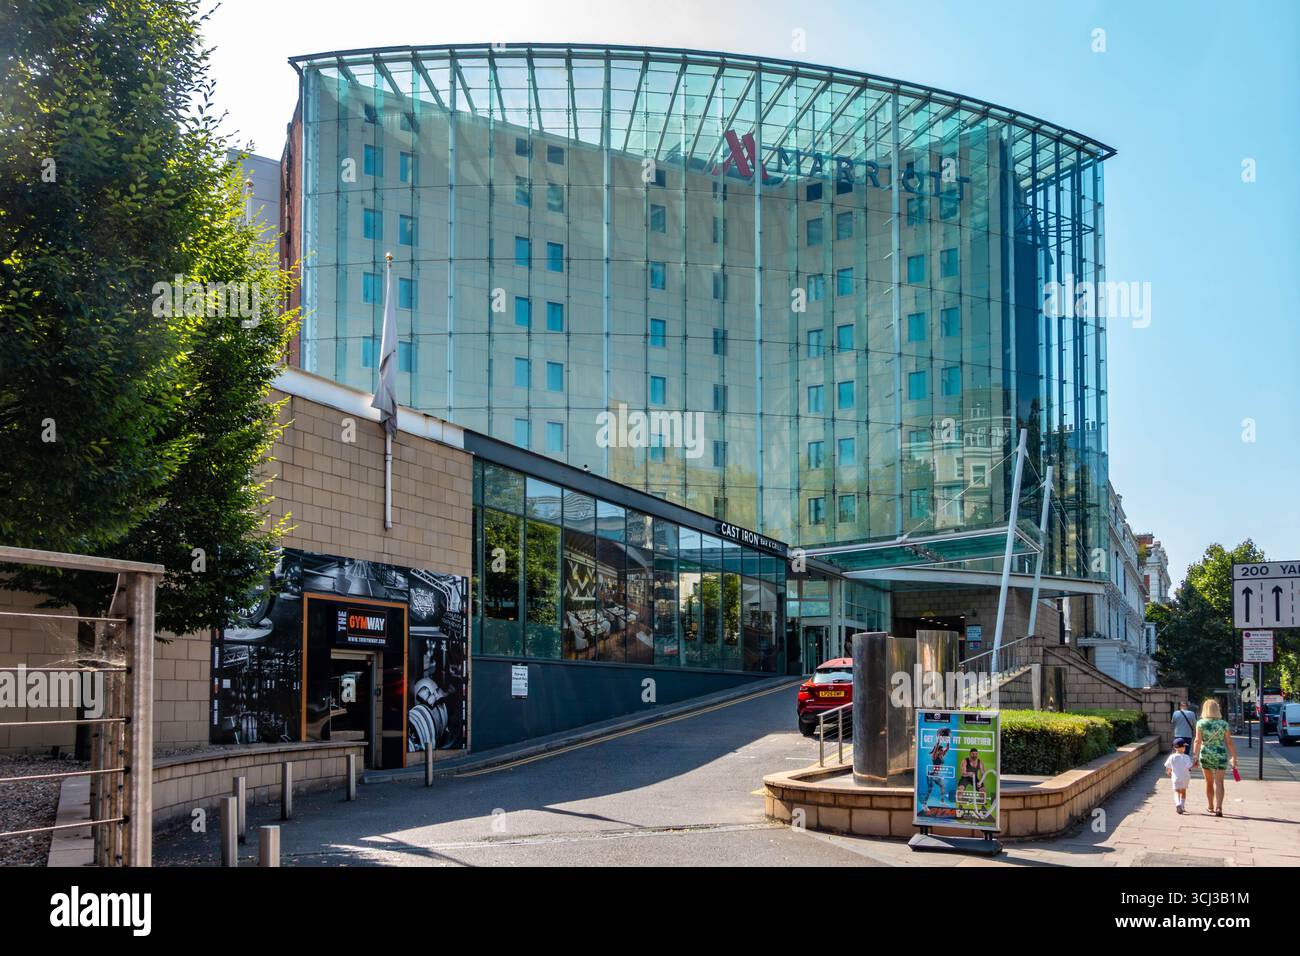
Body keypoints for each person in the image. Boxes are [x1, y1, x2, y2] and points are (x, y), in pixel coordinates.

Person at [1192, 697, 1238, 816]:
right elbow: (1229, 742)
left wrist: (1195, 756)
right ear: (1217, 709)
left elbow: (1197, 740)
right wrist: (1234, 757)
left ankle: (1210, 806)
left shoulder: (1200, 723)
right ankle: (1219, 807)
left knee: (1208, 782)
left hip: (1206, 754)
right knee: (1219, 782)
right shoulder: (1223, 724)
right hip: (1220, 754)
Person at [1164, 739, 1193, 814]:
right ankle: (1182, 806)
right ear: (1183, 747)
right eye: (1184, 746)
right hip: (1185, 777)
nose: (1184, 748)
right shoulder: (1186, 757)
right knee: (1183, 791)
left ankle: (1178, 804)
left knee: (1176, 791)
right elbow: (1189, 767)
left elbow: (1168, 767)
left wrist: (1169, 772)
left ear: (1175, 748)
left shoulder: (1172, 757)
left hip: (1176, 777)